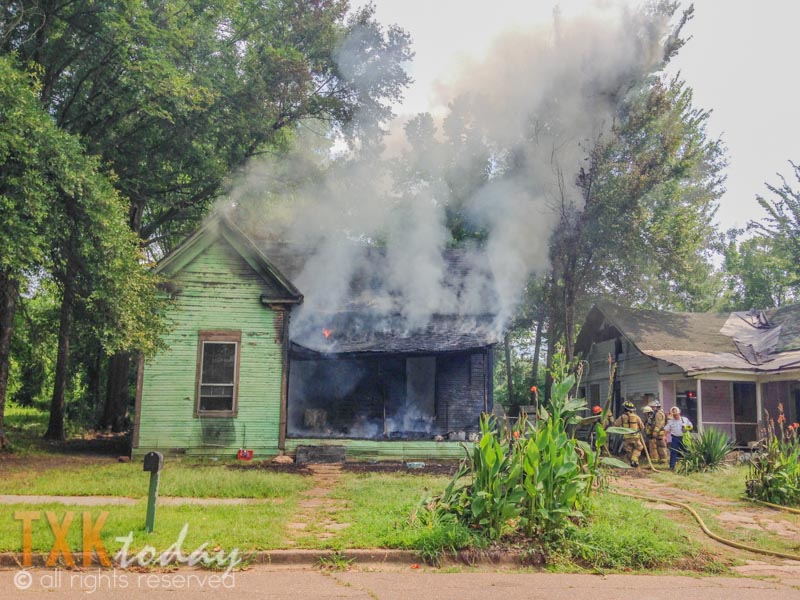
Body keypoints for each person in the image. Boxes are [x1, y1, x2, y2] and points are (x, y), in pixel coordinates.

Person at [613, 401, 645, 467]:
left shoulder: (622, 417)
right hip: (636, 437)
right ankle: (634, 460)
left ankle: (632, 462)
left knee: (628, 450)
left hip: (626, 438)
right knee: (638, 448)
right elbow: (642, 427)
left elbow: (615, 425)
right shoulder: (636, 417)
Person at [664, 406, 693, 470]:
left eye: (676, 414)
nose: (675, 416)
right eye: (674, 414)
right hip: (675, 438)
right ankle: (672, 466)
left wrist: (685, 428)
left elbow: (691, 426)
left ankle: (689, 466)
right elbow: (666, 429)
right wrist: (665, 436)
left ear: (679, 413)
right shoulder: (671, 421)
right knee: (674, 452)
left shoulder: (684, 419)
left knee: (686, 451)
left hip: (684, 438)